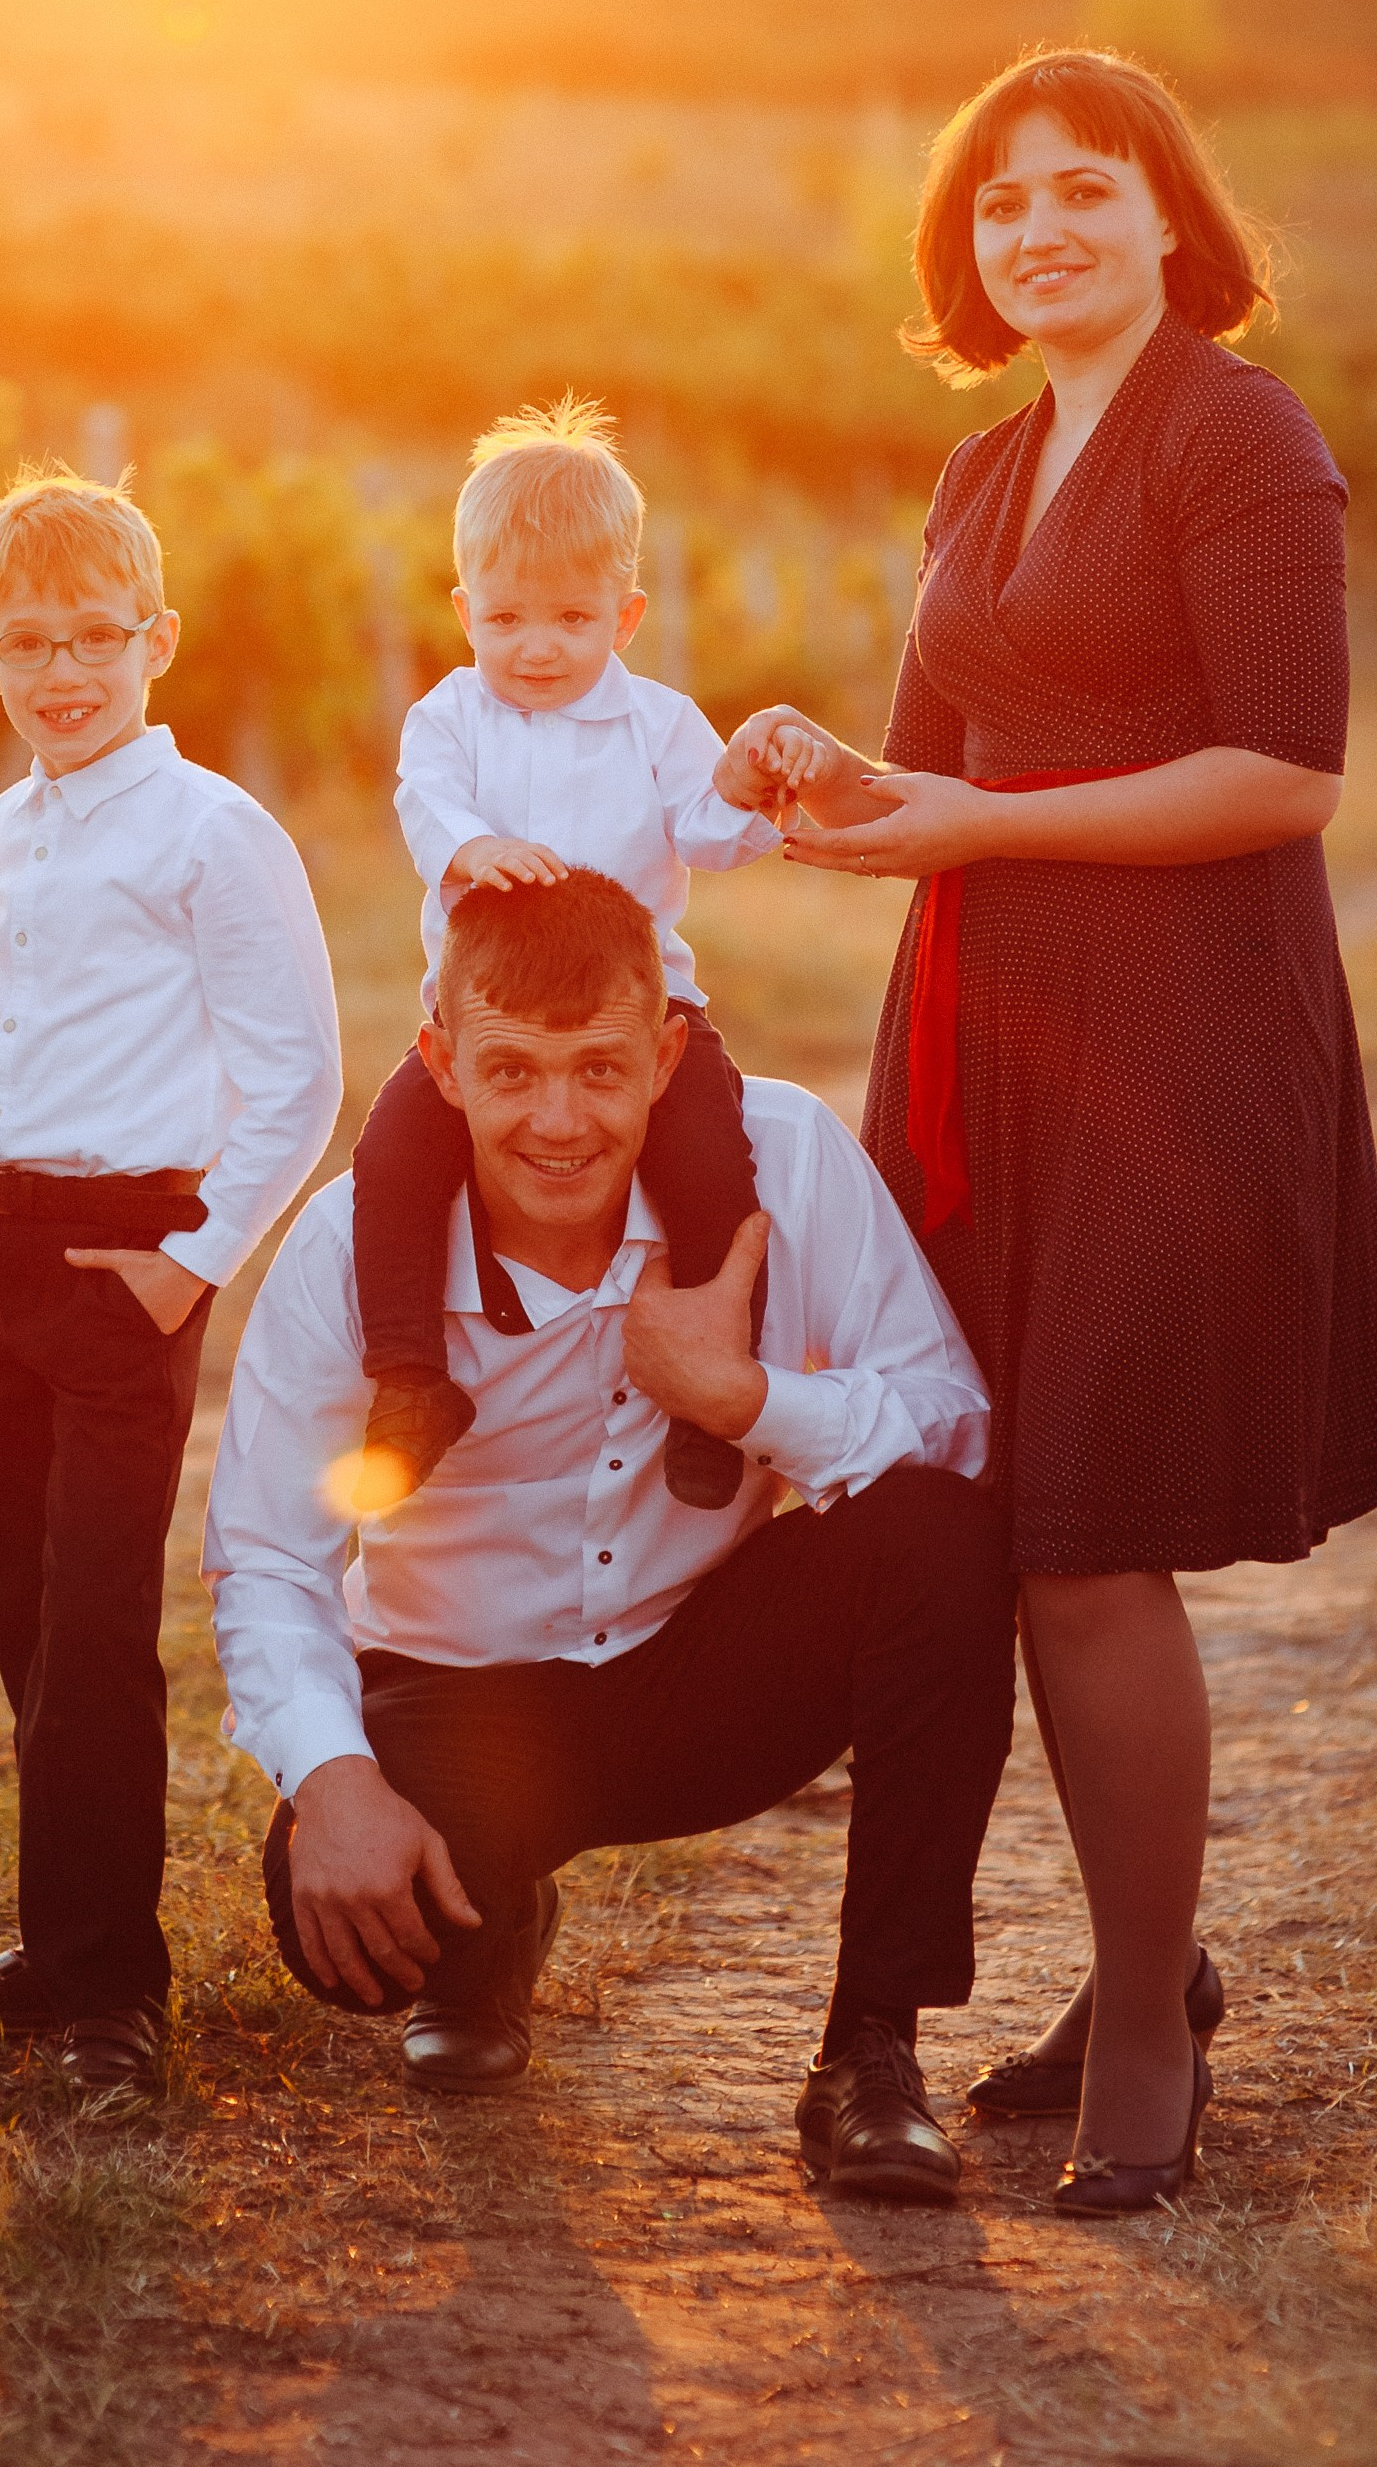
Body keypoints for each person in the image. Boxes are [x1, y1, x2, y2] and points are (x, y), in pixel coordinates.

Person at [731, 47, 1377, 2217]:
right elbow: (929, 770)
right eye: (1001, 200)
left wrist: (974, 817)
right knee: (1000, 1515)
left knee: (1090, 1533)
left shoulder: (1244, 439)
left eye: (1083, 189)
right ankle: (1150, 1953)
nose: (1039, 227)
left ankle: (1141, 2034)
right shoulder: (980, 466)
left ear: (1164, 215)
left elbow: (1287, 771)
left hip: (1181, 1037)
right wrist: (810, 766)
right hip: (985, 1039)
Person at [206, 866, 1013, 2203]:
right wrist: (330, 1783)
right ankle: (487, 1932)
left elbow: (955, 1427)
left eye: (599, 1066)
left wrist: (741, 1398)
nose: (560, 1118)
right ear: (439, 1060)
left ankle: (871, 2047)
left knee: (934, 1534)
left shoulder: (786, 1158)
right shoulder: (349, 1243)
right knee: (340, 1918)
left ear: (667, 1051)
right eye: (511, 1069)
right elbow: (273, 1553)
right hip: (460, 1701)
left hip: (704, 1664)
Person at [0, 464, 343, 2097]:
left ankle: (115, 1986)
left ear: (156, 637)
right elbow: (8, 1054)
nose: (63, 672)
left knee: (97, 1617)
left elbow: (296, 1073)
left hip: (130, 1252)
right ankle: (54, 1941)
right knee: (26, 1612)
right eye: (27, 642)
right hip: (0, 1241)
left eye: (95, 635)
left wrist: (189, 1262)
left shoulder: (213, 831)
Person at [355, 399, 783, 1510]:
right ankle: (410, 1378)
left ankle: (714, 1382)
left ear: (626, 617)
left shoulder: (662, 726)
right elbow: (425, 806)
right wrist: (472, 847)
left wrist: (746, 791)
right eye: (504, 620)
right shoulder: (449, 721)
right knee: (395, 1157)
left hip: (641, 1018)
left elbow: (711, 835)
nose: (535, 647)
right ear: (463, 611)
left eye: (570, 618)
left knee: (712, 1171)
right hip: (484, 1022)